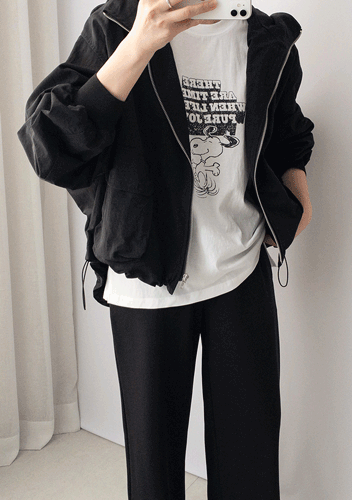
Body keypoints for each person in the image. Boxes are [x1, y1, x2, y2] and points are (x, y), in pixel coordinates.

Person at [17, 0, 314, 498]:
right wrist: (139, 43)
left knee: (252, 464)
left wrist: (298, 196)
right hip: (146, 279)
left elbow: (287, 131)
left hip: (241, 271)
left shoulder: (267, 39)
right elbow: (50, 147)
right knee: (154, 476)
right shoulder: (117, 25)